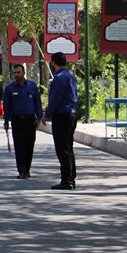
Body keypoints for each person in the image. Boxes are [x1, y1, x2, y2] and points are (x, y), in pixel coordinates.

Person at [42, 52, 78, 190]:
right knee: (68, 148)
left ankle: (66, 180)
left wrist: (47, 114)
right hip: (71, 114)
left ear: (53, 63)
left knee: (62, 149)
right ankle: (71, 178)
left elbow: (55, 99)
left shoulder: (58, 78)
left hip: (61, 115)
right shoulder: (70, 76)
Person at [3, 64, 42, 179]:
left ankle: (27, 169)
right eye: (14, 73)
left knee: (29, 145)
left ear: (23, 73)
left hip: (30, 120)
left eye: (18, 72)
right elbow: (7, 105)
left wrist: (39, 117)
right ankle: (21, 170)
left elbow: (37, 102)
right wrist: (6, 121)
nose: (16, 75)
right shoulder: (10, 88)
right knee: (19, 146)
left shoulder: (32, 86)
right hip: (16, 120)